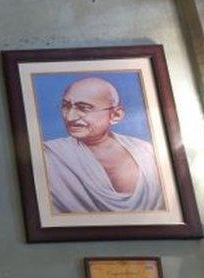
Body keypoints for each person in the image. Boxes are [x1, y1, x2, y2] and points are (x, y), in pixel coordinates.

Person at [43, 77, 165, 213]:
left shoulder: (147, 152)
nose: (69, 117)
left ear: (116, 115)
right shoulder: (51, 155)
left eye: (83, 108)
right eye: (66, 106)